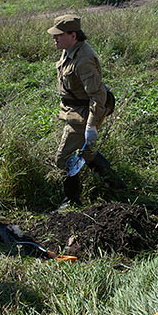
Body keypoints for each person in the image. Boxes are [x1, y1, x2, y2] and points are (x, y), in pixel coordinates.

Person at [47, 14, 126, 209]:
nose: (54, 38)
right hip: (73, 109)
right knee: (88, 154)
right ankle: (117, 187)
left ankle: (71, 200)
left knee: (63, 158)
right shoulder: (69, 50)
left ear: (73, 35)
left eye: (59, 35)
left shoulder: (84, 59)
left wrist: (90, 125)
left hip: (83, 114)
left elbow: (97, 96)